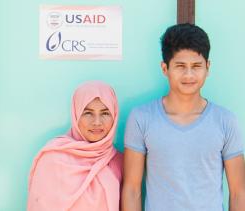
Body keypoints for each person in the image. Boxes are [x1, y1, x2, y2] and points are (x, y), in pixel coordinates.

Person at [122, 23, 245, 211]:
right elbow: (132, 189)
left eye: (196, 66)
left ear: (208, 67)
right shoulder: (142, 118)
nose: (189, 74)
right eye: (180, 66)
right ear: (165, 68)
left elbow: (238, 192)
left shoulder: (225, 121)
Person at [27, 81, 122, 211]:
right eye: (88, 113)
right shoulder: (53, 158)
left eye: (105, 113)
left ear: (115, 116)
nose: (97, 122)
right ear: (76, 114)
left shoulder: (119, 161)